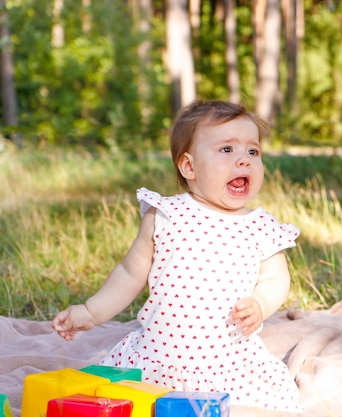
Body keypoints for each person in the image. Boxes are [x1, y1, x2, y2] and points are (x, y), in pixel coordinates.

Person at [52, 99, 302, 413]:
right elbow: (131, 273)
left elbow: (276, 278)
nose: (244, 160)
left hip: (228, 365)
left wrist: (261, 304)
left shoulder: (261, 227)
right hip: (158, 359)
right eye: (227, 150)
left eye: (253, 151)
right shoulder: (167, 215)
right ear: (189, 166)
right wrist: (91, 311)